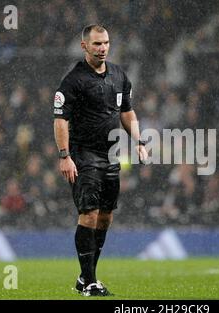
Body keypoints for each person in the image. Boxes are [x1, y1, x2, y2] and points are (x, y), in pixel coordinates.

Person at [53, 24, 148, 296]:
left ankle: (86, 278)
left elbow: (127, 112)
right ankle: (90, 282)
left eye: (106, 42)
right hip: (83, 157)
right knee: (89, 214)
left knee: (105, 217)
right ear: (84, 46)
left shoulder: (118, 75)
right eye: (96, 44)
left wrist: (139, 140)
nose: (103, 48)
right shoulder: (73, 80)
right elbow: (60, 120)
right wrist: (65, 156)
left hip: (111, 156)